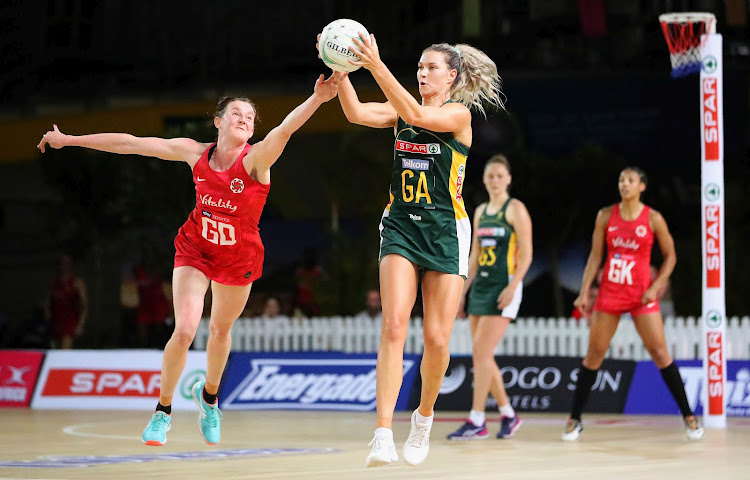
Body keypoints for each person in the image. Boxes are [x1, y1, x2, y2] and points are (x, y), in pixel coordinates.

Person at [37, 71, 342, 446]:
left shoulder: (256, 160)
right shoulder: (194, 153)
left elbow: (284, 129)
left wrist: (318, 99)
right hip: (195, 249)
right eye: (237, 114)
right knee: (184, 330)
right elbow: (131, 143)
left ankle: (210, 400)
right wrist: (68, 140)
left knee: (220, 331)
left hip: (239, 257)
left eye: (249, 117)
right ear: (218, 122)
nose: (245, 120)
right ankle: (162, 413)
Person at [322, 31, 504, 466]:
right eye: (419, 68)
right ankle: (382, 433)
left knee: (437, 339)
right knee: (393, 326)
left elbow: (417, 116)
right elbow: (356, 113)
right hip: (402, 225)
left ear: (452, 77)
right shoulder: (404, 109)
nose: (422, 73)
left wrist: (374, 64)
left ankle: (423, 419)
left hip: (445, 230)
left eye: (431, 68)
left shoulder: (459, 115)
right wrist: (341, 67)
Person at [564, 167, 703, 441]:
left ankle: (689, 416)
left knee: (660, 353)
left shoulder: (653, 218)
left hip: (641, 296)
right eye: (621, 180)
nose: (624, 184)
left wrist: (656, 286)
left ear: (642, 186)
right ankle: (574, 419)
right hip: (610, 293)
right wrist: (584, 292)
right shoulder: (606, 215)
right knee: (594, 355)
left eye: (630, 180)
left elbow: (671, 256)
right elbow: (595, 256)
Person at [446, 154, 532, 441]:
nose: (495, 181)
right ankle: (508, 414)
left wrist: (514, 286)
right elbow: (474, 257)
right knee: (483, 356)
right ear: (483, 179)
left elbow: (528, 254)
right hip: (481, 286)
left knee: (480, 354)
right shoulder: (481, 211)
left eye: (500, 176)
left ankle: (477, 419)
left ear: (508, 179)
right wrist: (462, 293)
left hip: (504, 285)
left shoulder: (515, 209)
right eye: (490, 176)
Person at [45, 254, 88, 349]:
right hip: (56, 323)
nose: (64, 265)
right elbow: (48, 303)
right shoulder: (54, 282)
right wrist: (47, 318)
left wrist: (80, 325)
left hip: (69, 324)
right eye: (62, 263)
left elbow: (84, 307)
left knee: (64, 352)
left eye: (67, 263)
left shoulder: (77, 282)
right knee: (54, 352)